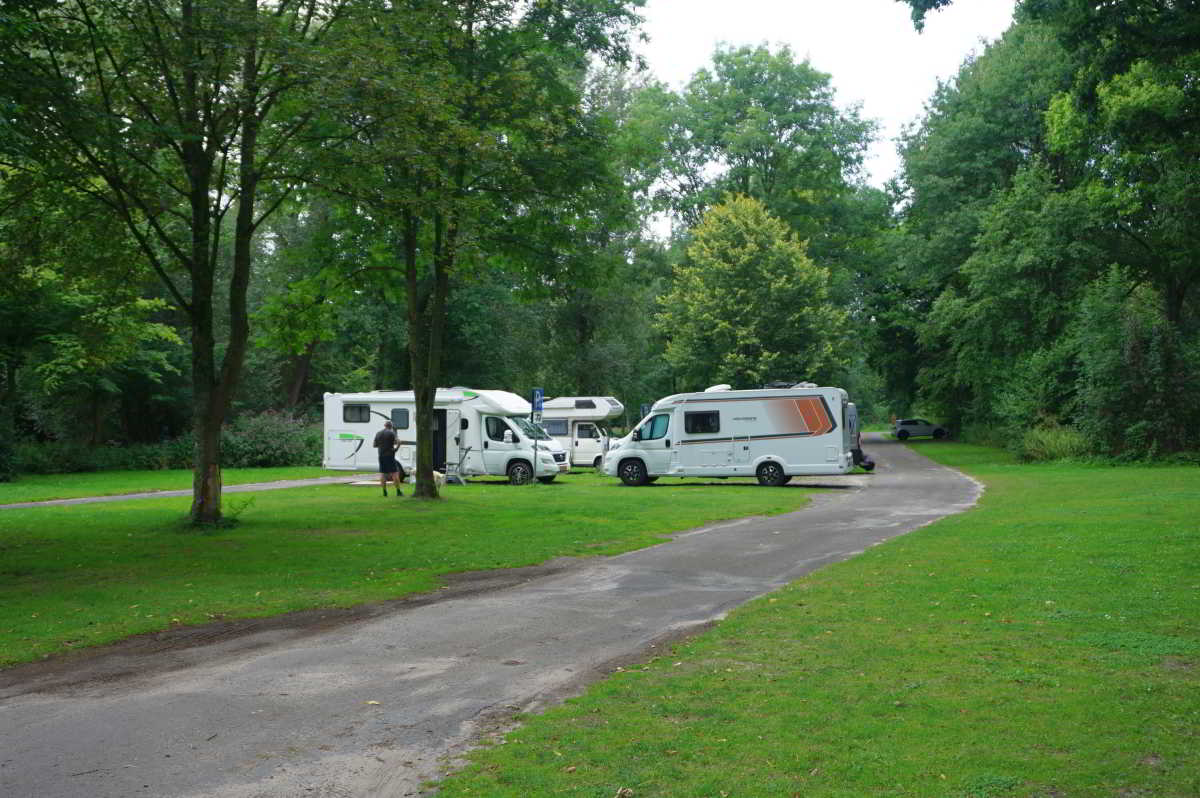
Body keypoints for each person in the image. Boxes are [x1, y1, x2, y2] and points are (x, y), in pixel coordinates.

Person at [373, 420, 404, 497]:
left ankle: (384, 492)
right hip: (390, 456)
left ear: (384, 425)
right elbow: (399, 442)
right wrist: (396, 448)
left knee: (383, 474)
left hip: (381, 456)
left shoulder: (378, 433)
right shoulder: (392, 433)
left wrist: (382, 446)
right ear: (391, 426)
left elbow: (374, 445)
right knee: (395, 473)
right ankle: (398, 491)